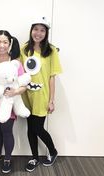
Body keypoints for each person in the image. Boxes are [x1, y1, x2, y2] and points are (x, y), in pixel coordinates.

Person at [19, 16, 62, 172]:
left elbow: (52, 77)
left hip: (42, 96)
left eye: (42, 30)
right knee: (30, 128)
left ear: (46, 32)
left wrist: (52, 100)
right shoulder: (24, 49)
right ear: (31, 30)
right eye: (35, 29)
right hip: (26, 95)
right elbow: (18, 70)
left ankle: (53, 151)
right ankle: (34, 158)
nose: (38, 33)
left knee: (38, 128)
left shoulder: (50, 50)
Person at [0, 30, 27, 174]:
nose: (1, 45)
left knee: (7, 131)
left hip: (9, 104)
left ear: (10, 44)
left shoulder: (15, 63)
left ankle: (7, 159)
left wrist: (14, 92)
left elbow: (23, 84)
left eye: (5, 42)